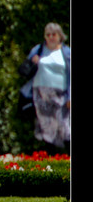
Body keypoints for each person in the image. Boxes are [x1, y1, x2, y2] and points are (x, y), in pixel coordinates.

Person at [21, 23, 71, 154]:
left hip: (60, 95)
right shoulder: (38, 49)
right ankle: (50, 161)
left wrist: (70, 96)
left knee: (65, 126)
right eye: (47, 35)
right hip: (41, 93)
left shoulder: (66, 52)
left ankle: (68, 158)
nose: (50, 37)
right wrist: (33, 61)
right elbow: (26, 68)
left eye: (53, 34)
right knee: (47, 127)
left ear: (60, 36)